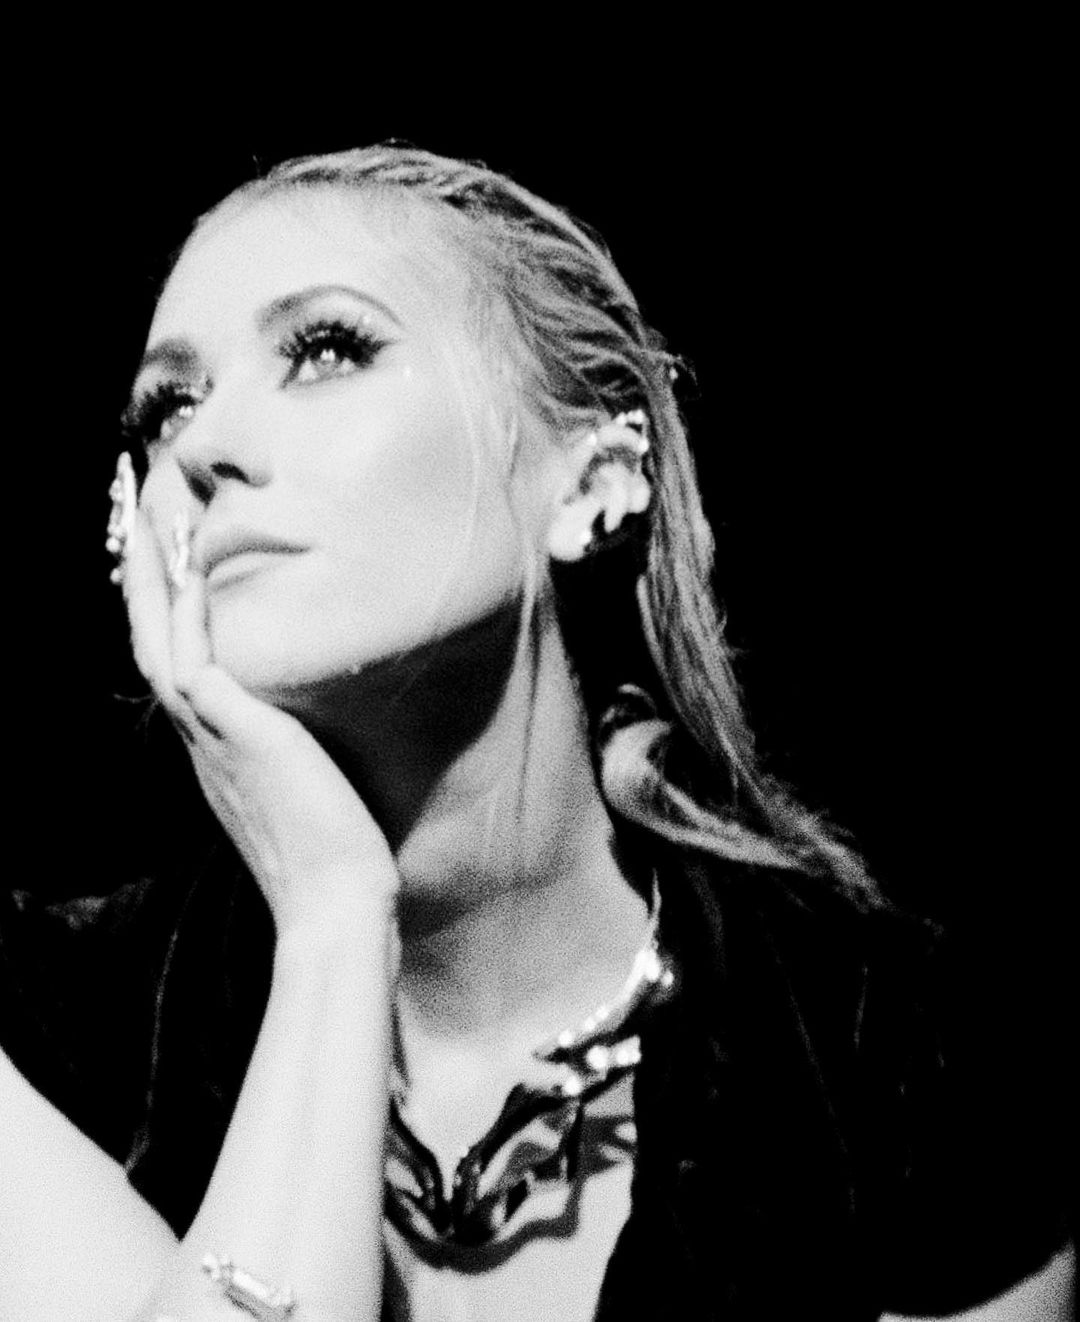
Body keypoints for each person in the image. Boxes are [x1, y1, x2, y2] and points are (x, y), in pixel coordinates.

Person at [0, 144, 1072, 1321]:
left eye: (325, 350)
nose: (203, 450)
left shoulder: (899, 1052)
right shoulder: (52, 1031)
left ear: (590, 481)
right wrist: (332, 920)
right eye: (168, 405)